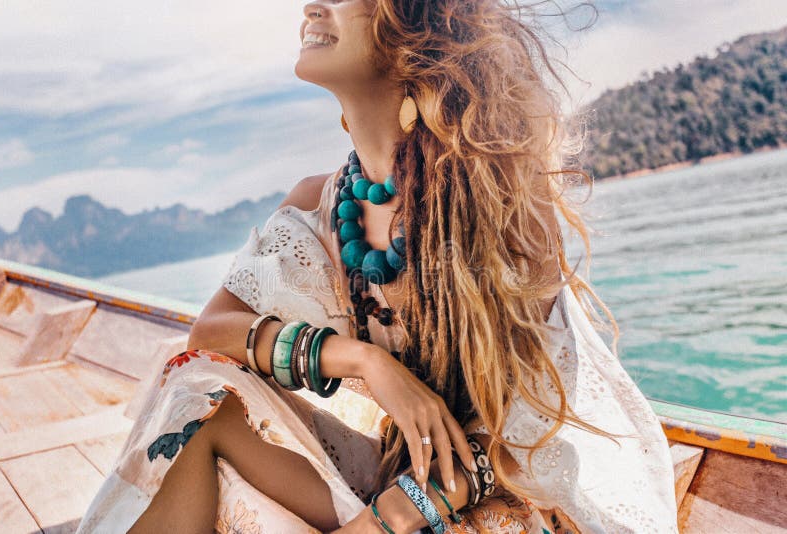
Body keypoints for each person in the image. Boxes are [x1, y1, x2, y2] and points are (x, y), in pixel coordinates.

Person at [76, 1, 679, 533]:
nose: (312, 7)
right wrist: (368, 361)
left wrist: (386, 518)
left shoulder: (497, 198)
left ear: (409, 28)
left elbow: (526, 431)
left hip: (493, 490)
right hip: (394, 469)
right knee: (195, 391)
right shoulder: (318, 204)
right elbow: (208, 334)